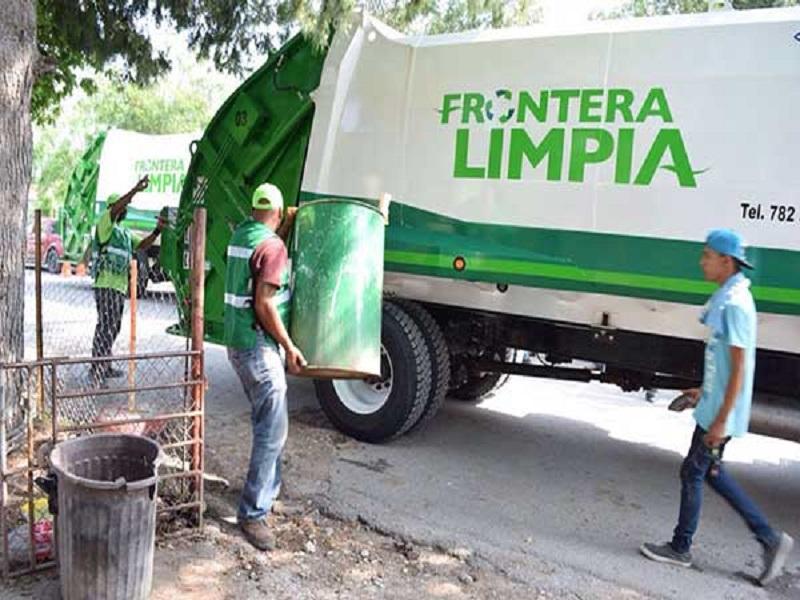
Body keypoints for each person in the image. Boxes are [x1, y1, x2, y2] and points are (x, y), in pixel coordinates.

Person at [640, 229, 794, 586]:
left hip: (720, 414)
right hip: (715, 406)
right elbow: (723, 364)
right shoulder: (729, 297)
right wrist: (702, 391)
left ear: (727, 261)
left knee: (694, 472)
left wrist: (721, 420)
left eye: (707, 255)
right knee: (707, 472)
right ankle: (768, 539)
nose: (702, 262)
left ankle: (683, 547)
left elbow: (740, 369)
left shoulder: (735, 305)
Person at [224, 182, 307, 551]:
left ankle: (267, 494)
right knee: (271, 431)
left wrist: (282, 228)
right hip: (258, 345)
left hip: (237, 343)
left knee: (271, 423)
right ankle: (253, 513)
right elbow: (264, 303)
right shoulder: (273, 247)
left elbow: (262, 253)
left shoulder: (242, 235)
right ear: (279, 211)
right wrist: (289, 347)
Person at [90, 175, 164, 383]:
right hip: (106, 285)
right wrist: (135, 190)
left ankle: (105, 364)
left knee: (113, 327)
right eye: (120, 206)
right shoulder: (105, 224)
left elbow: (142, 245)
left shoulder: (123, 233)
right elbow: (116, 209)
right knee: (106, 326)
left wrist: (158, 230)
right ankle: (97, 368)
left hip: (119, 287)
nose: (124, 209)